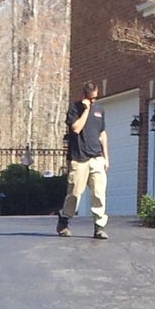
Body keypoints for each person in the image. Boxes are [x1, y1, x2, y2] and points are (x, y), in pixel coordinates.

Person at [58, 82, 109, 240]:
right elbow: (76, 128)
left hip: (97, 158)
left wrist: (106, 157)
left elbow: (102, 134)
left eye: (95, 98)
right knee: (74, 194)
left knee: (99, 194)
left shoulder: (100, 110)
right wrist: (86, 110)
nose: (94, 101)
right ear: (84, 96)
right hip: (79, 159)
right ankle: (64, 220)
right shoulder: (74, 109)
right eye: (91, 98)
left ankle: (99, 227)